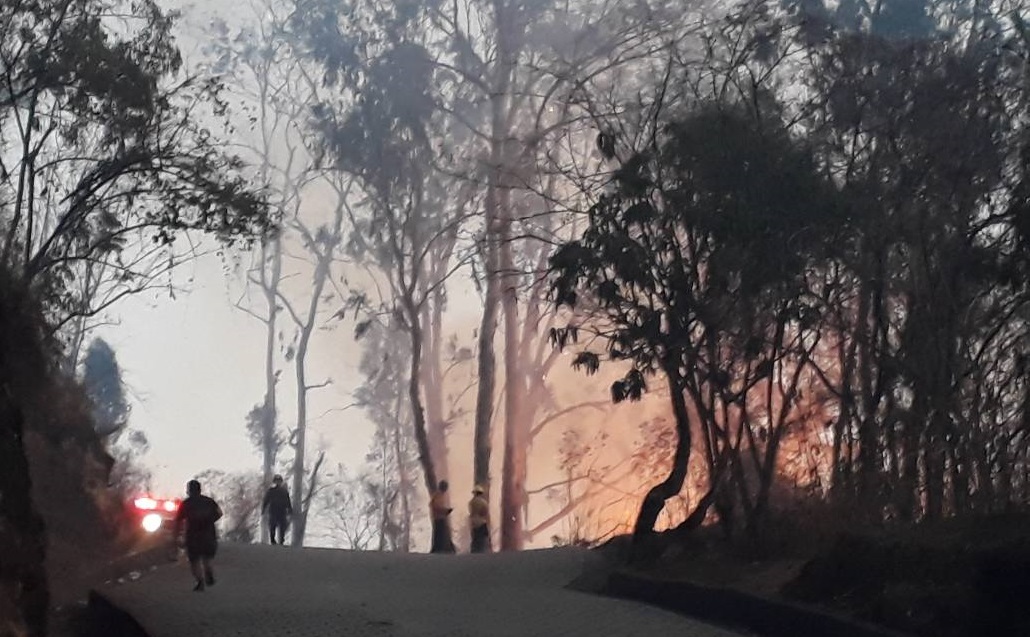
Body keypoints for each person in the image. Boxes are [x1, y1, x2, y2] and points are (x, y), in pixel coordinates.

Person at [174, 479, 223, 592]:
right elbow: (220, 513)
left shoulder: (186, 504)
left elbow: (178, 520)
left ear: (188, 491)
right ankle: (208, 571)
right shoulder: (209, 501)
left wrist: (177, 536)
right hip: (208, 534)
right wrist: (210, 520)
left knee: (194, 560)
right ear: (200, 489)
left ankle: (200, 581)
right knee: (207, 557)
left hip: (192, 535)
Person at [261, 474, 292, 545]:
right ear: (274, 482)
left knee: (282, 526)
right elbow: (266, 500)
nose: (278, 483)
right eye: (276, 481)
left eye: (279, 481)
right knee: (272, 526)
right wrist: (263, 509)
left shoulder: (284, 492)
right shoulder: (271, 491)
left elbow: (288, 501)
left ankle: (281, 540)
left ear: (281, 482)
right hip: (273, 510)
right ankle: (272, 540)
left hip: (282, 511)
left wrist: (290, 510)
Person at [428, 479, 455, 554]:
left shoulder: (440, 495)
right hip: (439, 517)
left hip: (440, 517)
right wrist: (445, 511)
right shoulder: (438, 495)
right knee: (439, 533)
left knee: (440, 533)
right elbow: (436, 506)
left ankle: (443, 548)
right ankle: (439, 548)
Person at [468, 484, 490, 554]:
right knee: (482, 538)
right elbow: (485, 512)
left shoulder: (471, 502)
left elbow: (471, 511)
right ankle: (482, 551)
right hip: (481, 521)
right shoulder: (483, 502)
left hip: (474, 521)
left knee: (475, 537)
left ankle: (474, 550)